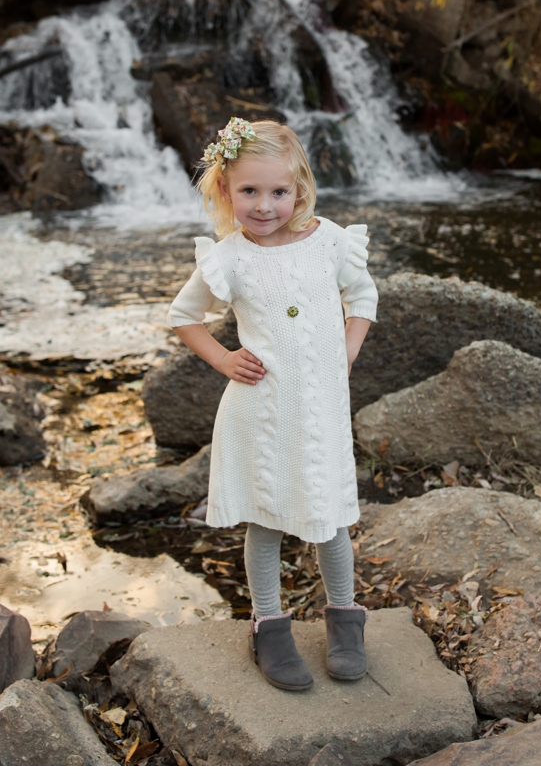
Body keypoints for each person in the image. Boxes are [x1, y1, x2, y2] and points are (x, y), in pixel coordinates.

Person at [168, 118, 377, 692]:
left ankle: (345, 619)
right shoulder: (230, 258)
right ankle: (269, 626)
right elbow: (184, 317)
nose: (265, 205)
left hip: (320, 407)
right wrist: (224, 358)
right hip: (261, 411)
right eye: (249, 192)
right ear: (224, 192)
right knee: (265, 520)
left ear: (299, 189)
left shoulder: (329, 241)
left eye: (278, 192)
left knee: (329, 517)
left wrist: (346, 349)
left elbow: (362, 294)